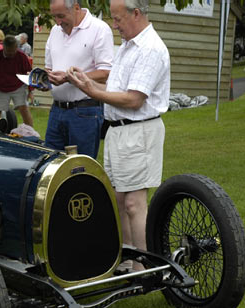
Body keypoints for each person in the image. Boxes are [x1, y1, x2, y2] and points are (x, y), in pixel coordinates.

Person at [67, 0, 170, 272]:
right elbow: (118, 87)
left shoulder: (150, 48)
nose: (114, 25)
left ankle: (146, 269)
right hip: (118, 132)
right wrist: (89, 82)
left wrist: (92, 92)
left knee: (135, 204)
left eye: (118, 19)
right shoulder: (129, 45)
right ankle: (128, 261)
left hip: (138, 131)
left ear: (136, 13)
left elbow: (134, 99)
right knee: (119, 200)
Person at [44, 0, 114, 158]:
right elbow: (49, 68)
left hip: (85, 111)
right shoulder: (55, 31)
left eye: (61, 16)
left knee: (80, 168)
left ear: (76, 8)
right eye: (54, 16)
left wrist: (70, 78)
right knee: (51, 165)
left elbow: (105, 73)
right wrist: (44, 80)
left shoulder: (99, 29)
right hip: (56, 110)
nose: (57, 22)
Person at [0, 35, 33, 129]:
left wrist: (30, 91)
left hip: (18, 87)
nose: (11, 54)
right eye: (8, 52)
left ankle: (32, 134)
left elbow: (29, 75)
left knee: (24, 110)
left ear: (16, 48)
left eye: (13, 51)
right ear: (4, 47)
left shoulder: (21, 57)